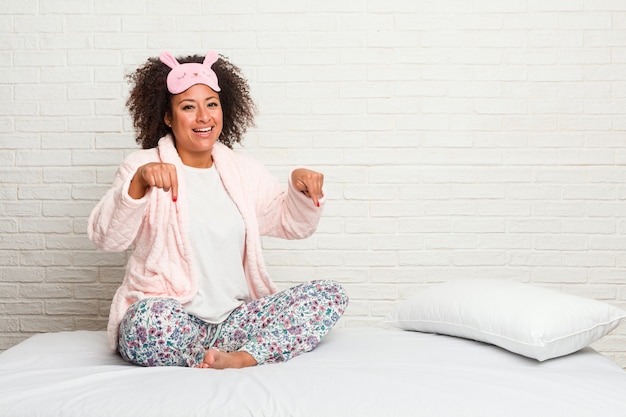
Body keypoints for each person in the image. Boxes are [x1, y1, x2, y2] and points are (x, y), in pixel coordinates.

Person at [88, 51, 348, 369]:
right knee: (146, 321)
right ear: (167, 116)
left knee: (329, 294)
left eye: (211, 104)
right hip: (176, 320)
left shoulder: (242, 171)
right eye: (188, 107)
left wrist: (301, 191)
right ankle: (213, 354)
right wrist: (139, 186)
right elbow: (108, 239)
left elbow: (291, 224)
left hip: (234, 323)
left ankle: (241, 356)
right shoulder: (141, 166)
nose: (203, 117)